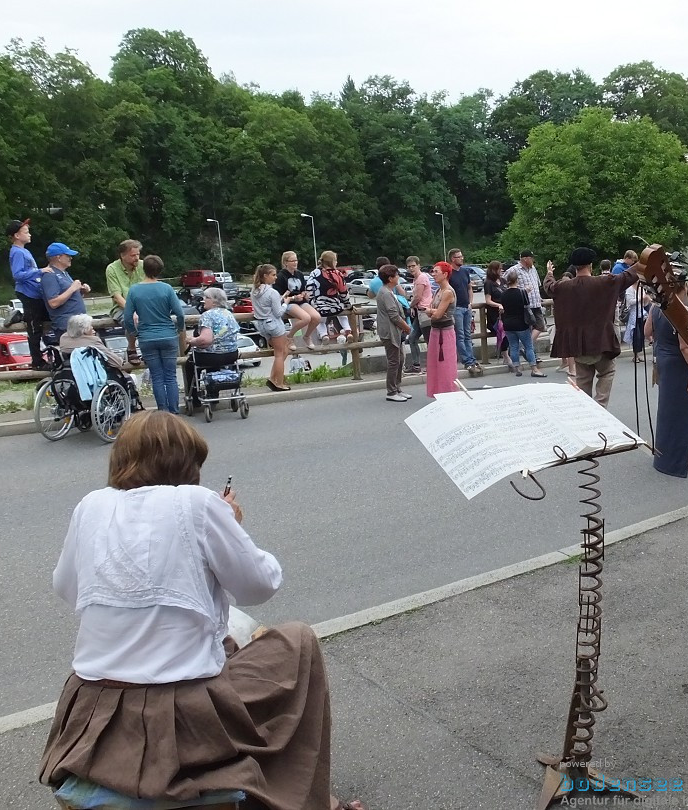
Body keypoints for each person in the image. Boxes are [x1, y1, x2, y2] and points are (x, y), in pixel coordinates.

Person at [39, 411, 366, 810]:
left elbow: (66, 588)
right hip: (179, 710)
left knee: (224, 642)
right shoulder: (198, 503)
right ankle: (308, 799)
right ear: (187, 464)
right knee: (297, 641)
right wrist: (230, 524)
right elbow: (259, 585)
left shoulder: (91, 505)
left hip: (93, 706)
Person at [543, 247, 638, 407]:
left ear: (574, 267)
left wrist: (549, 273)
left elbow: (549, 286)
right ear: (591, 265)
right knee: (607, 372)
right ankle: (601, 406)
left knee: (583, 380)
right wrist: (645, 260)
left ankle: (588, 411)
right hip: (602, 342)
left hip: (578, 345)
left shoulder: (563, 287)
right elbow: (628, 276)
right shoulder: (605, 282)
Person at [644, 285, 688, 477]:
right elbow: (685, 347)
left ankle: (674, 454)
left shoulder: (657, 306)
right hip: (679, 364)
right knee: (681, 414)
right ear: (684, 286)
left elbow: (647, 330)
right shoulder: (680, 310)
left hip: (663, 361)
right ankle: (676, 460)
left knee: (668, 411)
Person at [124, 255, 185, 414]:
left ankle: (162, 411)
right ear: (160, 270)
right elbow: (179, 313)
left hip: (147, 337)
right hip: (168, 335)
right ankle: (174, 412)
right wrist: (179, 329)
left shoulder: (134, 290)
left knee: (157, 377)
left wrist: (135, 333)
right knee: (170, 377)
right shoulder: (166, 288)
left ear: (144, 269)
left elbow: (127, 317)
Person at [184, 287, 241, 406]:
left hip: (211, 355)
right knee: (213, 365)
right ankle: (213, 394)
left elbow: (206, 339)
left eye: (206, 297)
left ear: (215, 301)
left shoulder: (207, 316)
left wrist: (191, 341)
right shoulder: (229, 314)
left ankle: (194, 398)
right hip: (231, 355)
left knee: (190, 364)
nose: (203, 300)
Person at [6, 219, 50, 370]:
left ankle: (21, 316)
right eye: (26, 232)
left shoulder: (25, 251)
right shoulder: (17, 252)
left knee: (45, 319)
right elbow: (17, 275)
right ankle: (37, 361)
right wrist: (40, 271)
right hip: (28, 293)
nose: (30, 234)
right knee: (34, 328)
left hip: (35, 292)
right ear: (17, 235)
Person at [252, 264, 298, 392]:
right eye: (273, 275)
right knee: (280, 354)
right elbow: (278, 313)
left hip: (262, 325)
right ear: (265, 276)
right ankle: (278, 382)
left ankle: (274, 378)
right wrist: (286, 303)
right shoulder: (272, 292)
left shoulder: (254, 290)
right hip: (274, 324)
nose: (275, 277)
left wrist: (280, 300)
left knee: (284, 350)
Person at [105, 239, 145, 364]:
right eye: (133, 255)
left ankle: (149, 350)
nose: (137, 258)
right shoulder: (112, 269)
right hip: (121, 307)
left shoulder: (143, 265)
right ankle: (131, 348)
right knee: (131, 319)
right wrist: (131, 310)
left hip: (142, 305)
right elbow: (116, 296)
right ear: (122, 255)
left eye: (138, 254)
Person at [375, 265, 412, 402]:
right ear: (390, 278)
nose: (398, 277)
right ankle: (391, 391)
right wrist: (407, 327)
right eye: (396, 275)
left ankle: (397, 388)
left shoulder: (389, 291)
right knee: (394, 361)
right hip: (389, 332)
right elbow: (394, 316)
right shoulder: (385, 293)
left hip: (394, 331)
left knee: (400, 359)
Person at [500, 269, 546, 377]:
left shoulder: (504, 294)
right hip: (521, 323)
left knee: (513, 346)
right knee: (528, 346)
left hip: (508, 323)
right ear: (517, 280)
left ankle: (517, 368)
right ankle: (534, 368)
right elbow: (527, 306)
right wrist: (527, 291)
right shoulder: (521, 293)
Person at [40, 243, 90, 342]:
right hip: (67, 326)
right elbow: (53, 303)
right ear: (58, 257)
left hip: (77, 323)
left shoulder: (64, 273)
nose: (70, 258)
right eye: (67, 255)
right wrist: (72, 288)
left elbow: (69, 297)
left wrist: (81, 291)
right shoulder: (50, 275)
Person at [275, 251, 322, 350]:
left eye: (296, 260)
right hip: (289, 302)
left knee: (317, 317)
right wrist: (293, 298)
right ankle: (289, 336)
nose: (295, 263)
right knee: (306, 318)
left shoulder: (299, 274)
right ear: (285, 262)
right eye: (292, 261)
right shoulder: (280, 276)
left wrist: (304, 294)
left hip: (301, 301)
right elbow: (279, 296)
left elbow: (303, 289)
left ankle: (307, 336)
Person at [425, 261, 458, 398]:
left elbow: (437, 314)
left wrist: (432, 311)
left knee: (446, 365)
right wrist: (433, 311)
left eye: (436, 272)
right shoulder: (438, 290)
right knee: (434, 363)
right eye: (433, 271)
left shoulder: (448, 292)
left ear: (445, 274)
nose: (433, 274)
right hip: (435, 330)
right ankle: (437, 392)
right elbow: (434, 312)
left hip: (445, 331)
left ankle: (448, 393)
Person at [309, 251, 353, 344]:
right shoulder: (338, 273)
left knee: (320, 320)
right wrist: (348, 305)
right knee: (343, 316)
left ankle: (324, 335)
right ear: (331, 261)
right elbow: (343, 291)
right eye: (335, 260)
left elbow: (308, 289)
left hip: (320, 304)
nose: (336, 262)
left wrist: (311, 303)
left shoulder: (315, 273)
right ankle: (348, 331)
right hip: (335, 304)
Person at [447, 249, 479, 373]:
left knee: (468, 335)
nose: (461, 258)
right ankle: (467, 360)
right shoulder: (449, 273)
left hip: (466, 307)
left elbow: (469, 287)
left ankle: (471, 358)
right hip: (457, 308)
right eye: (459, 257)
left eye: (461, 256)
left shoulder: (465, 271)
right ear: (453, 259)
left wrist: (470, 302)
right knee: (460, 335)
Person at [58, 313, 127, 368]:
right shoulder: (92, 341)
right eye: (90, 326)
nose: (93, 329)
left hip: (72, 372)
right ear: (84, 330)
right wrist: (120, 359)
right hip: (93, 374)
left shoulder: (63, 338)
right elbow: (115, 362)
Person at [514, 249, 547, 345]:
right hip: (525, 305)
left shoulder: (533, 269)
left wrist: (539, 296)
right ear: (525, 259)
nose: (533, 260)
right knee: (527, 329)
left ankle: (527, 347)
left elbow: (537, 284)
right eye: (531, 258)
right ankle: (529, 350)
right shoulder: (514, 270)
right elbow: (506, 285)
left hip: (536, 302)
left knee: (540, 326)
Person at [405, 256, 431, 373]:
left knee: (429, 340)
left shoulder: (421, 278)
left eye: (413, 266)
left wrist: (410, 305)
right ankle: (416, 365)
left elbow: (418, 296)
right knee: (412, 338)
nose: (411, 269)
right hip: (418, 312)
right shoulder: (415, 279)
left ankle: (432, 365)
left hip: (425, 312)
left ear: (419, 266)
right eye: (409, 267)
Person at [483, 261, 507, 364]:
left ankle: (507, 354)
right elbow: (488, 300)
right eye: (499, 268)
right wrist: (498, 305)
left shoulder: (503, 281)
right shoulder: (488, 283)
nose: (502, 270)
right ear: (494, 270)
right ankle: (505, 356)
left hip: (506, 312)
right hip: (495, 313)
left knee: (509, 331)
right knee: (502, 332)